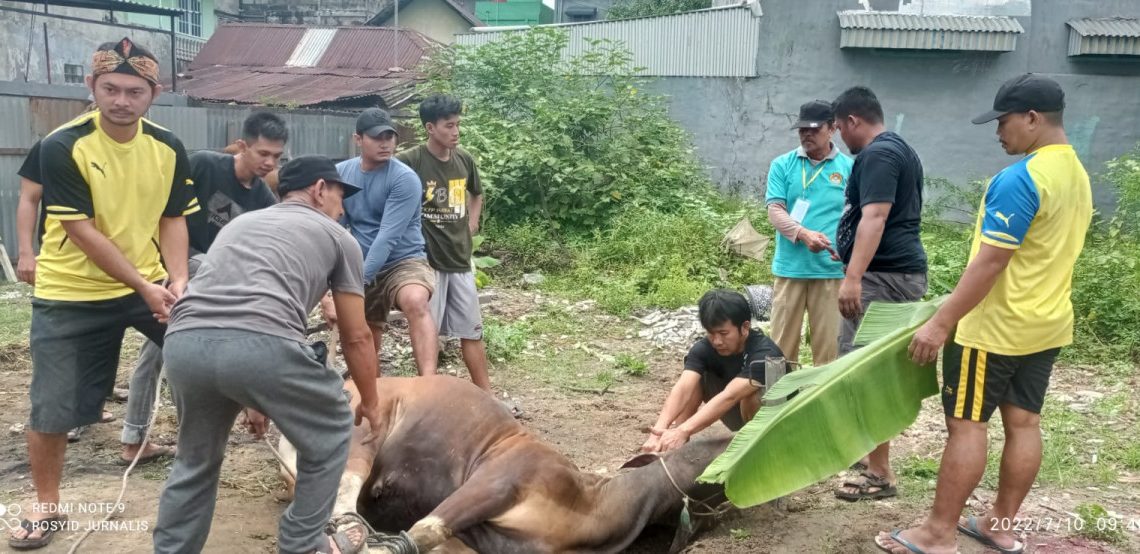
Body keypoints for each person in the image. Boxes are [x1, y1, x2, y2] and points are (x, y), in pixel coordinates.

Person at [875, 75, 1092, 554]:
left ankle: (937, 533)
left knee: (967, 425)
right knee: (1024, 424)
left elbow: (991, 262)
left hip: (993, 330)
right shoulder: (1076, 172)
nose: (998, 131)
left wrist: (940, 321)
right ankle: (998, 524)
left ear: (1033, 118)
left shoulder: (1020, 179)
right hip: (1047, 323)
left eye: (1004, 120)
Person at [9, 38, 198, 551]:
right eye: (110, 88)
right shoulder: (62, 145)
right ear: (91, 88)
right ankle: (46, 505)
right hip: (72, 291)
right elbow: (80, 231)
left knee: (205, 352)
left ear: (153, 93)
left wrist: (177, 280)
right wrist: (145, 285)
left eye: (133, 91)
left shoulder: (167, 146)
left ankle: (195, 466)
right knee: (51, 405)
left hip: (146, 283)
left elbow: (173, 216)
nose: (121, 100)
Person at [153, 156, 380, 554]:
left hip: (185, 343)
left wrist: (253, 399)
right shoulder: (338, 236)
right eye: (341, 195)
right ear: (319, 189)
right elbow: (357, 336)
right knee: (330, 432)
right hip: (263, 344)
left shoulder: (239, 225)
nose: (343, 207)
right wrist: (373, 402)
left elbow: (228, 324)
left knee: (195, 460)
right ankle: (305, 544)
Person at [120, 111, 289, 465]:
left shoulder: (263, 200)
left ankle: (137, 439)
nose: (269, 163)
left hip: (207, 282)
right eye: (263, 153)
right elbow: (164, 207)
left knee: (159, 350)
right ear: (242, 146)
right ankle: (164, 439)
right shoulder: (202, 165)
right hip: (173, 267)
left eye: (276, 156)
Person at [831, 86, 928, 502]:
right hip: (890, 274)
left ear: (853, 121)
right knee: (863, 366)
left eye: (838, 128)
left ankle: (881, 473)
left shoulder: (879, 154)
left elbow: (876, 216)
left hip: (882, 278)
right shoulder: (896, 150)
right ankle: (871, 455)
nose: (839, 138)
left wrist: (854, 276)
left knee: (866, 370)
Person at [395, 94, 493, 393]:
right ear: (430, 128)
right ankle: (427, 395)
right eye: (449, 126)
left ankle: (487, 396)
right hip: (427, 263)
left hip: (460, 259)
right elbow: (385, 184)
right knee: (428, 333)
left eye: (458, 125)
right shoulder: (411, 161)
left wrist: (472, 221)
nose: (456, 132)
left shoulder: (464, 159)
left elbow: (477, 194)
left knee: (472, 332)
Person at [337, 108, 439, 375]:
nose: (386, 143)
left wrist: (357, 283)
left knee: (416, 300)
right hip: (361, 261)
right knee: (364, 328)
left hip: (403, 261)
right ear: (358, 139)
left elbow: (388, 236)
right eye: (377, 137)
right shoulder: (341, 173)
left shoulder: (404, 178)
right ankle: (372, 390)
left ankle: (429, 383)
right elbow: (335, 228)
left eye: (389, 137)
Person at [765, 100, 852, 367]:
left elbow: (857, 216)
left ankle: (820, 406)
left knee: (828, 352)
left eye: (814, 129)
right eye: (802, 129)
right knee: (778, 351)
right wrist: (803, 234)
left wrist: (850, 255)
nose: (806, 135)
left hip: (830, 271)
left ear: (832, 129)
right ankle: (778, 405)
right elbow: (775, 210)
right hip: (791, 269)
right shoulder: (782, 165)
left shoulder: (849, 168)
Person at [641, 289, 783, 453]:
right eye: (710, 333)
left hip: (774, 425)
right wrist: (659, 431)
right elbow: (683, 388)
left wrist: (685, 430)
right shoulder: (704, 348)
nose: (717, 341)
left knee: (752, 391)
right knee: (696, 379)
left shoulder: (765, 353)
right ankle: (673, 446)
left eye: (724, 333)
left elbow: (730, 396)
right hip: (735, 415)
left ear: (745, 327)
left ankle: (759, 450)